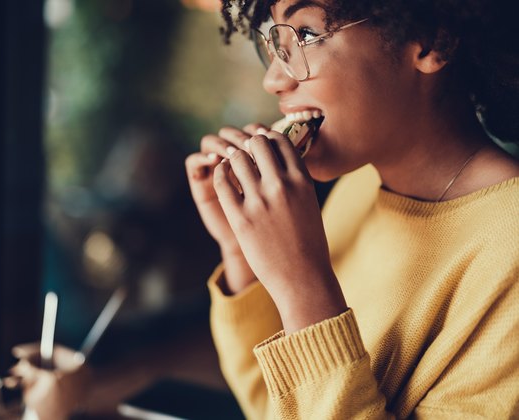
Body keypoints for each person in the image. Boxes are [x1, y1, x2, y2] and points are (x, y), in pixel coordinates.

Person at [185, 0, 519, 418]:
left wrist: (302, 288)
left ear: (432, 41)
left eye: (305, 35)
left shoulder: (510, 248)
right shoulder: (357, 188)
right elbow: (272, 408)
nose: (273, 79)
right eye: (275, 40)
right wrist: (242, 254)